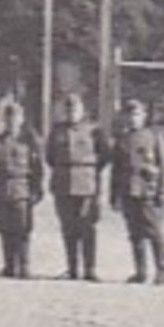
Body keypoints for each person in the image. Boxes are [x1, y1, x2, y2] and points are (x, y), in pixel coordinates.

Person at [45, 93, 111, 282]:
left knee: (87, 227)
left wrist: (88, 170)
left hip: (87, 185)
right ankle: (72, 268)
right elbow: (50, 158)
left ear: (82, 110)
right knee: (68, 228)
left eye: (74, 109)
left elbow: (104, 156)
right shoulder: (56, 131)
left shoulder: (93, 130)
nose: (71, 112)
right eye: (68, 109)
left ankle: (90, 269)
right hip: (63, 185)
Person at [0, 100, 44, 279]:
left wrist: (37, 189)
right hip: (0, 189)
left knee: (23, 229)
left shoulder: (29, 141)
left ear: (21, 119)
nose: (11, 122)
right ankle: (9, 266)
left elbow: (37, 168)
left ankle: (24, 266)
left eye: (15, 118)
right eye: (8, 119)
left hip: (22, 189)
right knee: (4, 229)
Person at [110, 98, 164, 285]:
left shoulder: (154, 136)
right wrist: (114, 195)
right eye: (128, 114)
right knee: (134, 233)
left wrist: (163, 191)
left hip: (148, 191)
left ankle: (162, 270)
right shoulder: (122, 139)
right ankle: (140, 271)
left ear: (144, 116)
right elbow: (116, 169)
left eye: (136, 114)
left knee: (154, 232)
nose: (132, 119)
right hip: (128, 190)